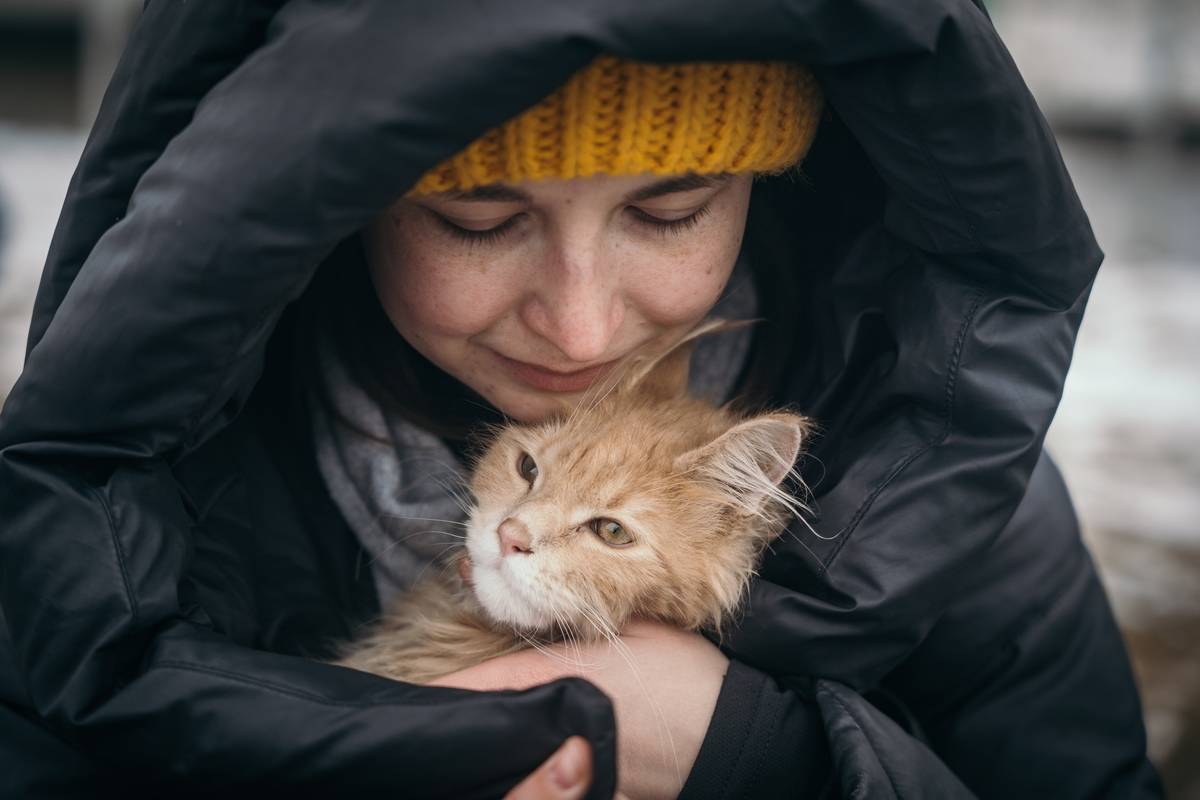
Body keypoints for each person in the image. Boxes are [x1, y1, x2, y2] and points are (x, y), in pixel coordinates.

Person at [0, 1, 1164, 798]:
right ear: (330, 203)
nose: (584, 327)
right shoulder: (127, 515)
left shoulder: (941, 485)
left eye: (669, 212)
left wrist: (753, 754)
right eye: (478, 218)